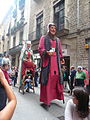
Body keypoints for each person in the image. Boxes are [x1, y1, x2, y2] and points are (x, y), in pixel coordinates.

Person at [38, 23, 65, 110]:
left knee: (55, 79)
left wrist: (61, 59)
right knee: (48, 80)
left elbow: (60, 52)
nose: (53, 29)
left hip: (56, 63)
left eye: (54, 28)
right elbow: (40, 49)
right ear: (48, 29)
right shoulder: (43, 38)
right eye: (51, 28)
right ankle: (46, 101)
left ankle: (52, 97)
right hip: (47, 62)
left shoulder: (58, 40)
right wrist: (46, 52)